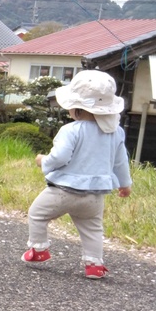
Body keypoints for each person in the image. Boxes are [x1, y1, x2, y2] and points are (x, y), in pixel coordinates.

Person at [23, 69, 132, 279]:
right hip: (95, 195)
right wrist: (125, 184)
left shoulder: (71, 130)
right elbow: (120, 161)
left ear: (77, 109)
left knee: (37, 214)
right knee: (92, 229)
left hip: (63, 191)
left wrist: (43, 161)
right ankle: (94, 265)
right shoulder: (116, 132)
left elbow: (61, 157)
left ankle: (38, 250)